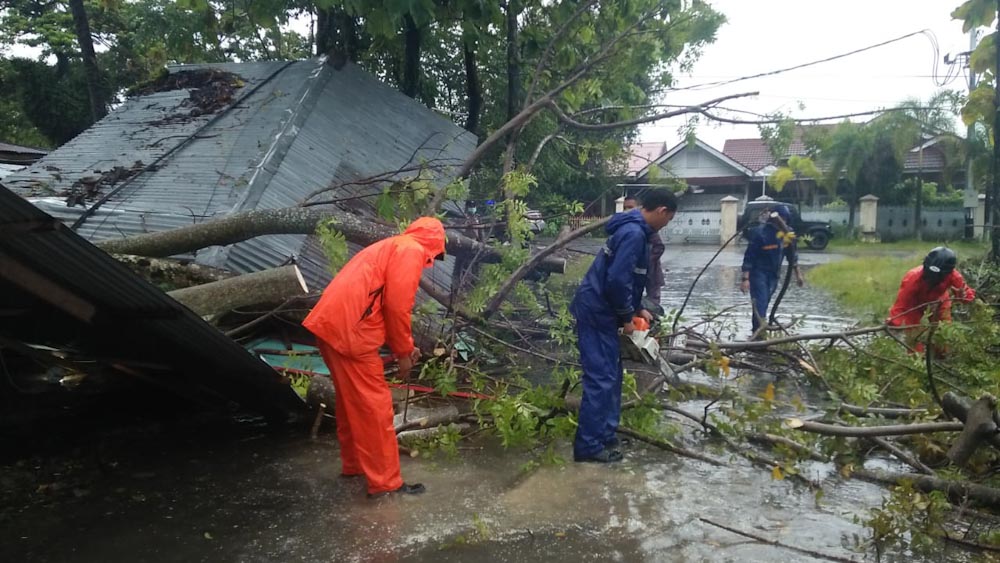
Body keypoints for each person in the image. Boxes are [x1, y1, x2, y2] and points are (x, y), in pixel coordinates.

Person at [302, 217, 446, 497]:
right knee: (374, 408)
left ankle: (355, 465)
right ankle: (385, 484)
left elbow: (380, 299)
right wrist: (403, 352)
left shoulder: (391, 246)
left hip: (332, 326)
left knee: (350, 402)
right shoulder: (411, 250)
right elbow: (396, 306)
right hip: (351, 334)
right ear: (435, 245)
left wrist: (405, 344)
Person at [571, 189, 678, 463]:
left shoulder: (638, 232)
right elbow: (617, 281)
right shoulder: (633, 234)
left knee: (613, 376)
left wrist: (639, 306)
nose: (667, 224)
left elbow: (629, 279)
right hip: (597, 310)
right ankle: (588, 447)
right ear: (662, 211)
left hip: (604, 310)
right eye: (669, 219)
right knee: (601, 379)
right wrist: (627, 317)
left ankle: (606, 434)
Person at [739, 204, 803, 338]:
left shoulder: (787, 234)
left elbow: (792, 255)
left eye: (785, 219)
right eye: (781, 218)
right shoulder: (760, 233)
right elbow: (749, 256)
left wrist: (798, 275)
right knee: (760, 303)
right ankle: (760, 334)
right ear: (773, 219)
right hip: (758, 274)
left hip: (774, 275)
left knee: (764, 303)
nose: (783, 221)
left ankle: (757, 331)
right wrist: (745, 279)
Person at [887, 246, 975, 329]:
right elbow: (900, 307)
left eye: (936, 276)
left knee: (944, 330)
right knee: (912, 334)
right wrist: (893, 326)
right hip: (915, 303)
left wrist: (962, 296)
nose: (931, 278)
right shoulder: (912, 278)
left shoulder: (954, 277)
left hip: (939, 300)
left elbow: (969, 296)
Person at [623, 194, 666, 305]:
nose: (627, 210)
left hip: (652, 271)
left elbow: (659, 247)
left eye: (630, 207)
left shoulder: (647, 226)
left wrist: (645, 261)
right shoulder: (629, 226)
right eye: (625, 208)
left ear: (638, 208)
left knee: (654, 301)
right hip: (634, 271)